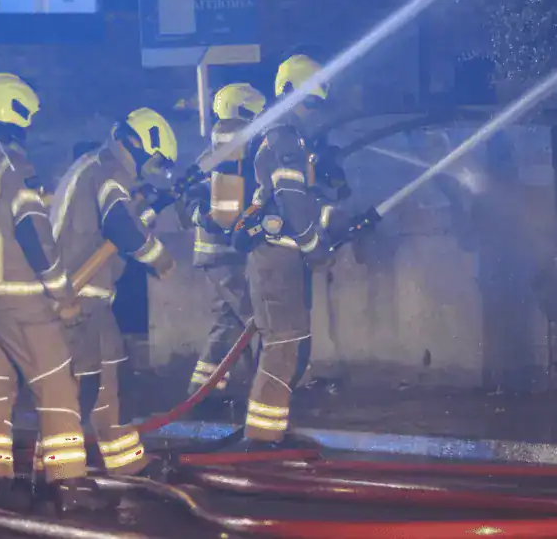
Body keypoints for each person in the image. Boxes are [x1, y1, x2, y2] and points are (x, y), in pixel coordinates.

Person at [0, 73, 106, 512]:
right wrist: (62, 293)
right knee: (56, 385)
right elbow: (35, 236)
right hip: (20, 301)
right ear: (16, 114)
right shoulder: (17, 169)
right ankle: (69, 485)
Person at [49, 108, 177, 476]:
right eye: (152, 161)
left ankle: (124, 462)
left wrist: (150, 209)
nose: (148, 169)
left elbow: (117, 223)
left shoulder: (99, 169)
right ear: (136, 145)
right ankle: (58, 475)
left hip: (94, 297)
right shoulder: (106, 170)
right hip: (75, 296)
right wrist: (160, 258)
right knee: (79, 390)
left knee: (109, 377)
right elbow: (121, 226)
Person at [228, 54, 347, 449]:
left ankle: (270, 433)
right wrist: (315, 247)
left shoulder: (291, 138)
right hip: (277, 259)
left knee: (289, 347)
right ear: (291, 93)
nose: (313, 111)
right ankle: (260, 442)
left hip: (282, 259)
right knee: (282, 350)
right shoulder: (284, 139)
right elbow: (292, 199)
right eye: (310, 102)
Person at [185, 83, 267, 418]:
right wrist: (205, 213)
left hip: (228, 255)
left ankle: (202, 394)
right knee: (254, 319)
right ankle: (263, 393)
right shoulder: (220, 156)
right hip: (220, 256)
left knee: (228, 322)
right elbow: (191, 199)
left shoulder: (239, 157)